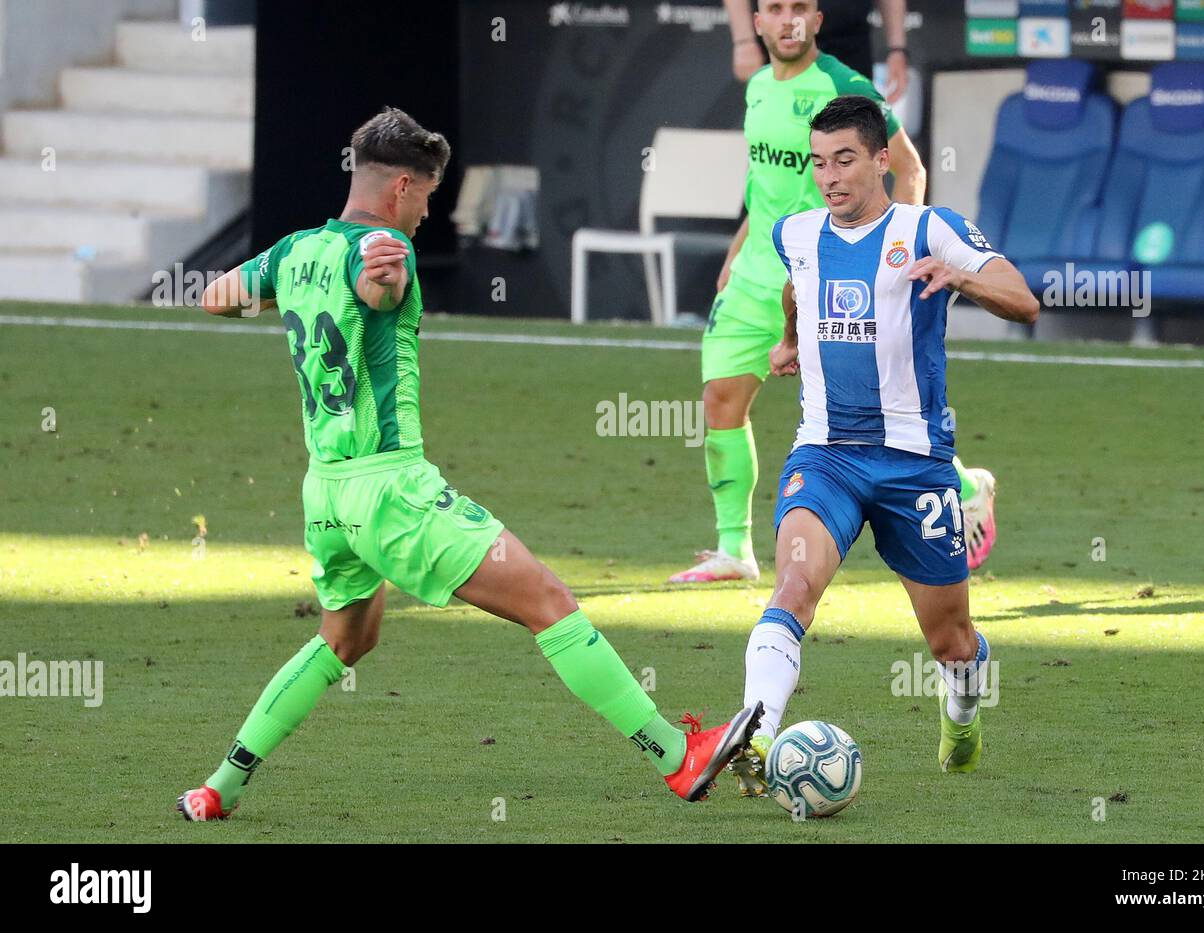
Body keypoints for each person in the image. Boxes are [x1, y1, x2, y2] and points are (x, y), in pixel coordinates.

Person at [178, 107, 762, 820]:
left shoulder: (294, 251)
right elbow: (379, 289)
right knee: (549, 601)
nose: (431, 210)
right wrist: (374, 285)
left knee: (347, 638)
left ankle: (219, 786)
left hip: (326, 493)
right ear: (399, 187)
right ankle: (678, 756)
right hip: (392, 487)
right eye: (427, 193)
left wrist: (300, 298)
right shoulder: (387, 247)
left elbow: (214, 297)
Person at [728, 95, 1038, 795]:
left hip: (914, 466)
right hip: (826, 455)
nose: (830, 177)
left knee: (951, 643)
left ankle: (962, 707)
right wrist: (785, 339)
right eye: (818, 163)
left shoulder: (929, 228)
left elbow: (1023, 298)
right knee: (793, 585)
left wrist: (959, 276)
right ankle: (756, 729)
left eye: (844, 160)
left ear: (880, 159)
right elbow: (796, 288)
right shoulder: (797, 233)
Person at [725, 0, 910, 104]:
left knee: (854, 146)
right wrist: (744, 41)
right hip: (784, 45)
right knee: (778, 147)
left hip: (850, 45)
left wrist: (896, 48)